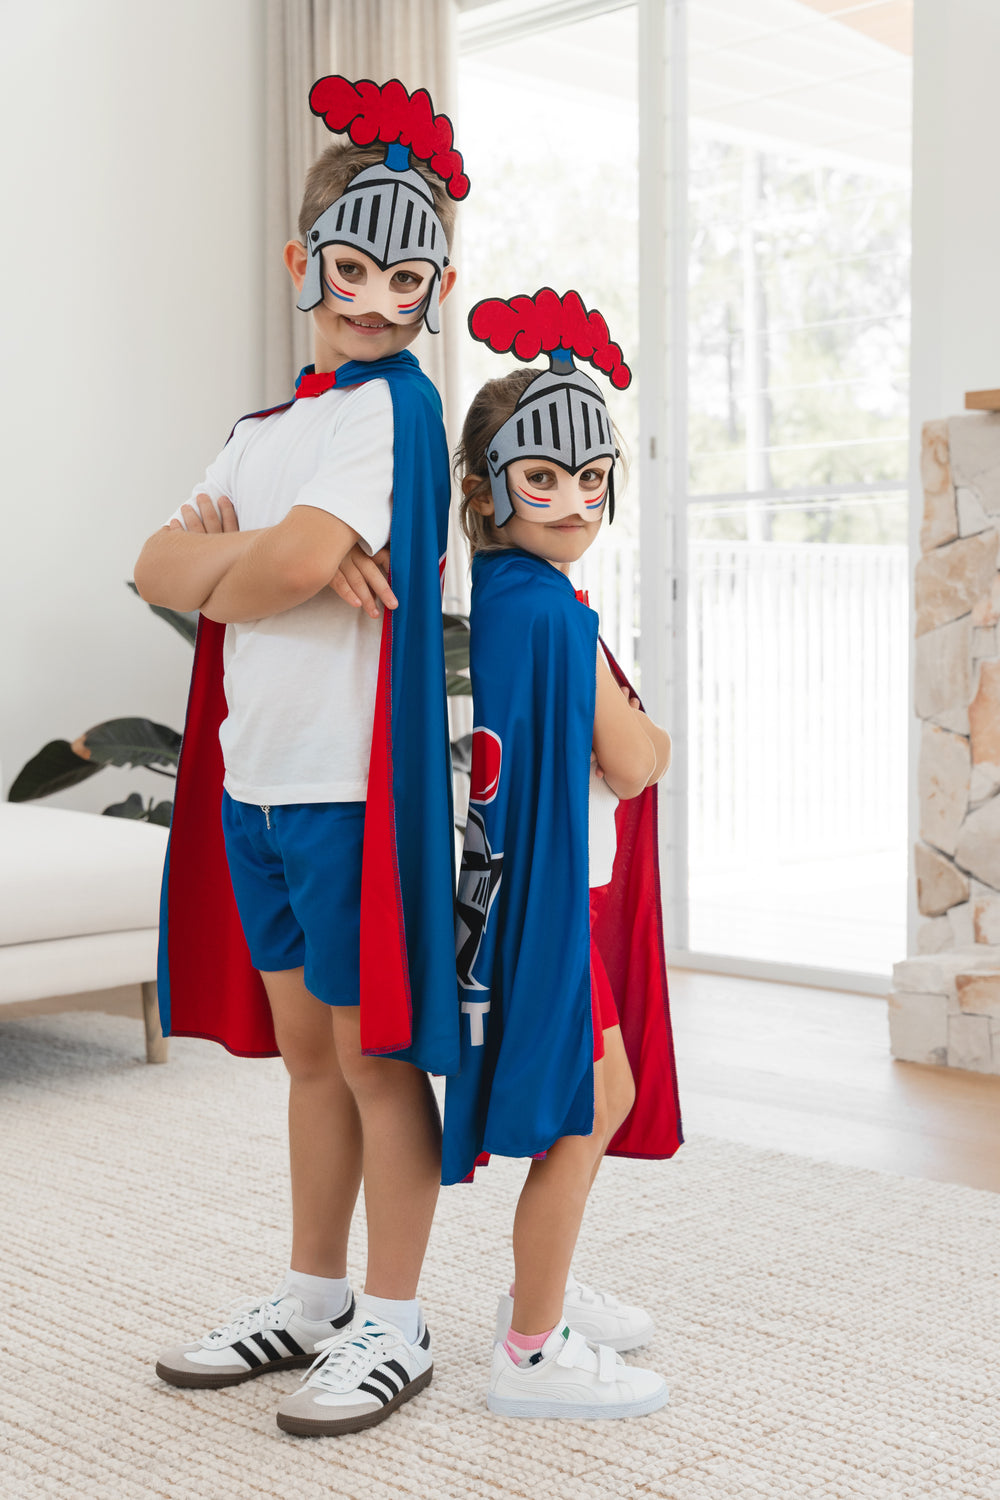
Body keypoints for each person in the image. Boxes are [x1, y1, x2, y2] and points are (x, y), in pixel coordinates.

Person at [133, 75, 468, 1439]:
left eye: (409, 275)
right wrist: (252, 563)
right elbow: (167, 567)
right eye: (352, 268)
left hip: (346, 789)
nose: (378, 300)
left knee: (377, 1055)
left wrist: (260, 563)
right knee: (308, 1059)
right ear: (303, 263)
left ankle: (396, 1318)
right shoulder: (265, 431)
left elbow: (280, 563)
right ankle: (313, 1292)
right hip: (258, 787)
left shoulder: (391, 410)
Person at [443, 289, 683, 1419]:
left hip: (533, 890)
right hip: (549, 902)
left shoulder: (501, 596)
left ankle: (541, 1295)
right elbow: (633, 763)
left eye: (594, 479)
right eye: (547, 479)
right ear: (489, 492)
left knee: (599, 1085)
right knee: (590, 1100)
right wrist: (656, 731)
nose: (578, 500)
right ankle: (531, 1348)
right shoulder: (552, 616)